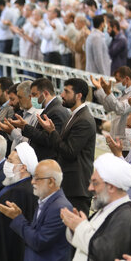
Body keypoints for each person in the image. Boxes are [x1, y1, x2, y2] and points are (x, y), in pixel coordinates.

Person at [36, 78, 96, 214]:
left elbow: (69, 151)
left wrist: (51, 132)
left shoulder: (84, 120)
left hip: (77, 188)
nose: (62, 95)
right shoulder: (75, 115)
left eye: (66, 92)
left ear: (78, 95)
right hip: (70, 185)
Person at [91, 66, 131, 150]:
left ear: (126, 79)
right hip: (118, 138)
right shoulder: (125, 93)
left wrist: (108, 92)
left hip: (126, 143)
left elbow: (120, 109)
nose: (116, 83)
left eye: (118, 80)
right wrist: (100, 89)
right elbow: (109, 107)